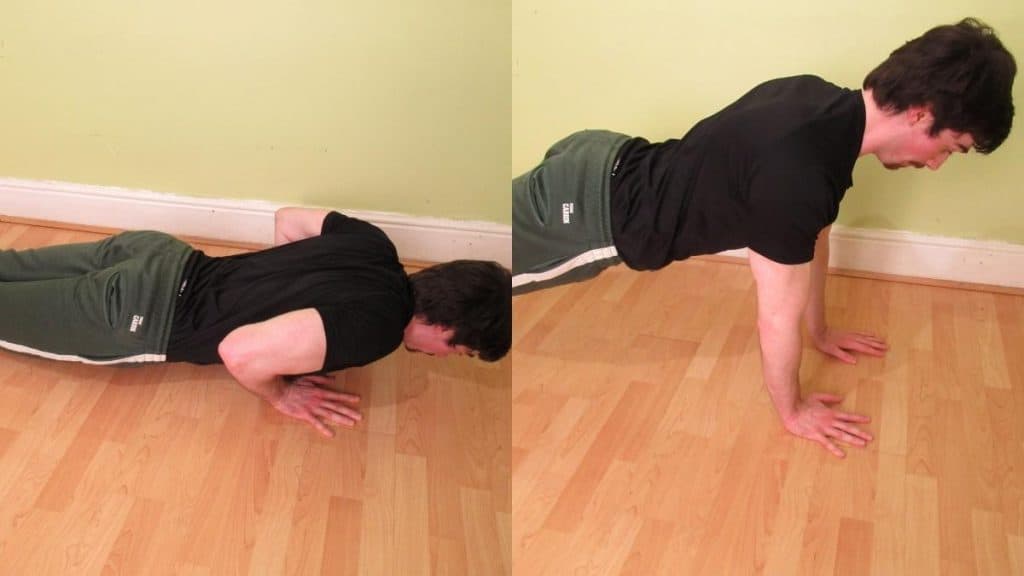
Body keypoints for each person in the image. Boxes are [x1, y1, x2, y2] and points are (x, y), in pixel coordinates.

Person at [512, 18, 1015, 457]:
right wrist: (793, 411)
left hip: (604, 154)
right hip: (584, 215)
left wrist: (820, 330)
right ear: (921, 112)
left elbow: (814, 237)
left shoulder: (818, 103)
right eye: (950, 147)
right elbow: (775, 317)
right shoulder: (798, 176)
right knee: (487, 279)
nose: (935, 164)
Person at [0, 207, 511, 437]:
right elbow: (239, 352)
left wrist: (276, 285)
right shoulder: (375, 331)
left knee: (11, 265)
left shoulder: (375, 245)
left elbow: (290, 217)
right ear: (446, 329)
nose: (447, 357)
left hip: (155, 254)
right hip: (136, 315)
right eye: (459, 352)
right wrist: (282, 394)